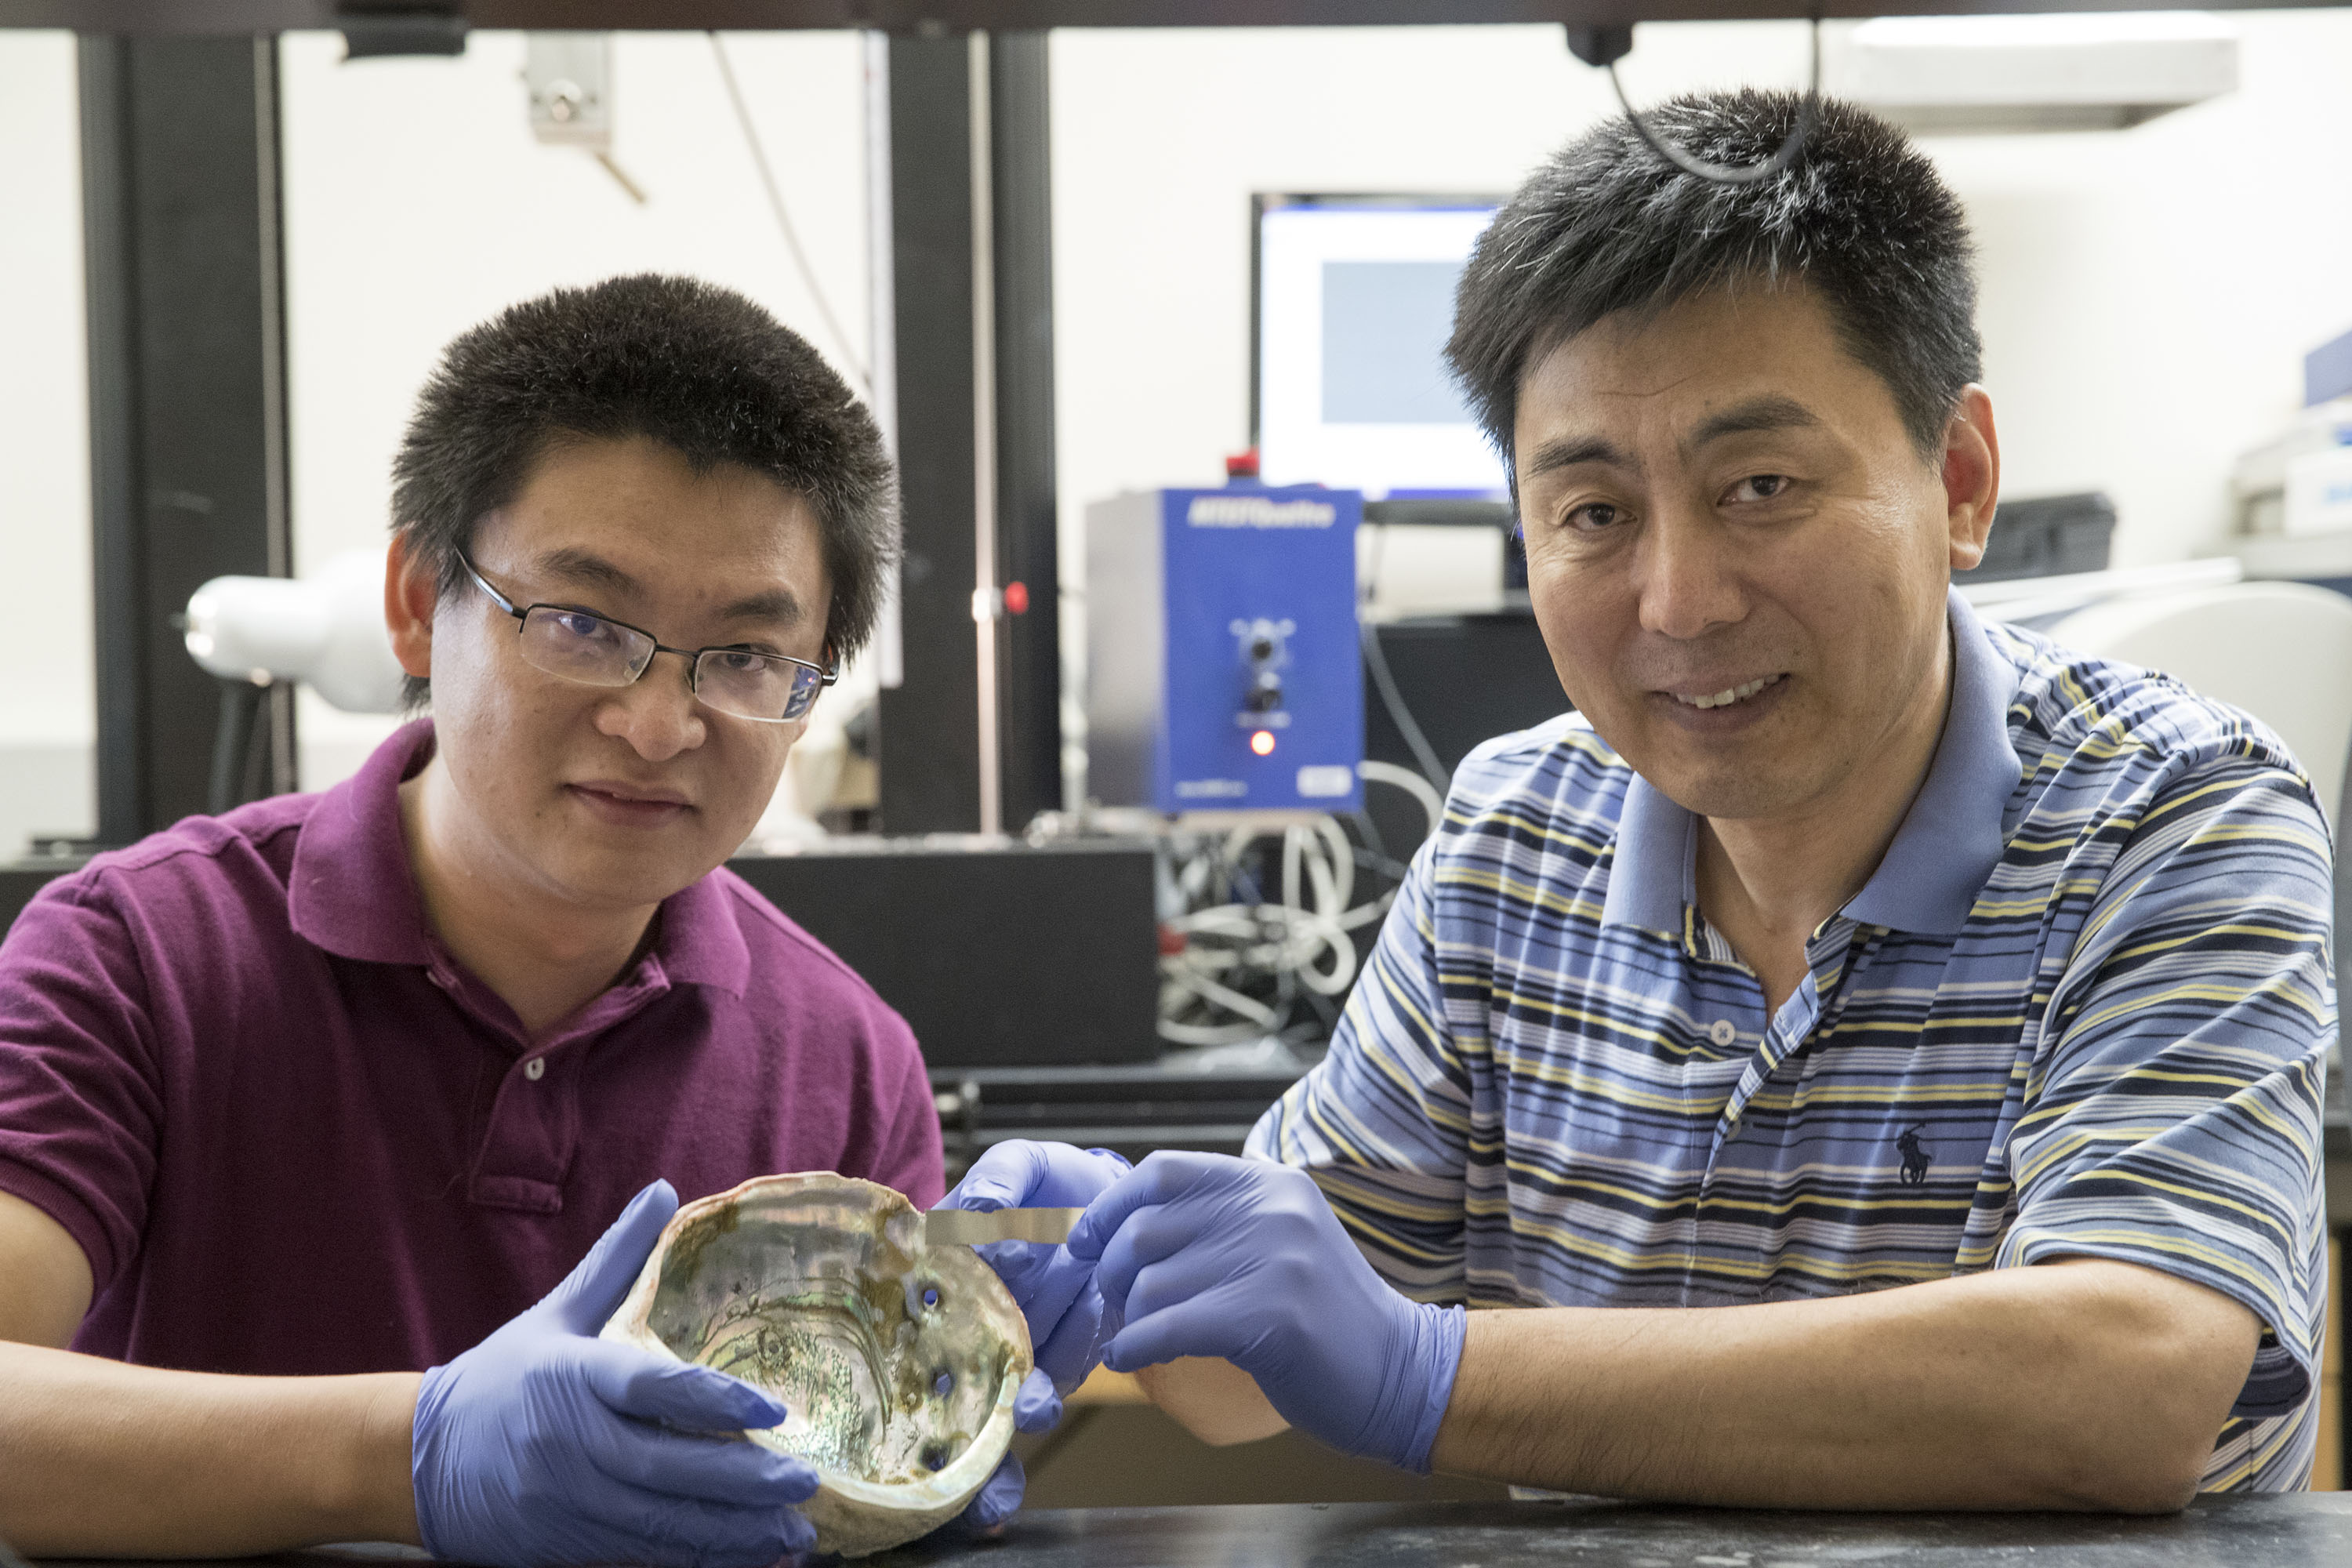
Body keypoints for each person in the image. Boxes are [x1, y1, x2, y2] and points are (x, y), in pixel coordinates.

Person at [960, 92, 2332, 1507]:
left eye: (1761, 485)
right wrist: (1107, 1252)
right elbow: (1257, 1363)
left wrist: (1427, 1375)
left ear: (1961, 480)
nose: (1679, 603)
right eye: (1596, 514)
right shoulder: (1513, 838)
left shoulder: (2179, 819)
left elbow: (2134, 1381)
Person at [0, 274, 1056, 1563]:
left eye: (742, 658)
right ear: (412, 603)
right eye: (581, 623)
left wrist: (938, 1461)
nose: (659, 725)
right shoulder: (135, 959)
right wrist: (408, 1455)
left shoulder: (839, 1056)